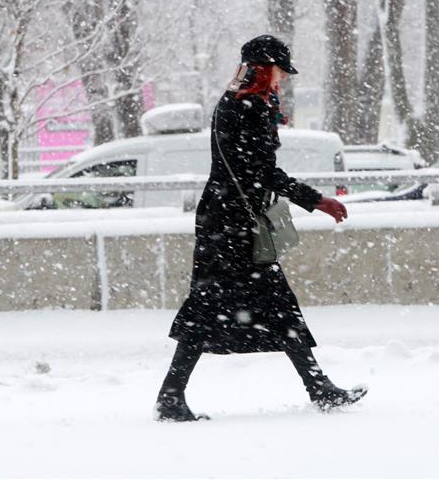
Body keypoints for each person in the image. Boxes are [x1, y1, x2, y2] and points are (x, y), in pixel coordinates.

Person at [155, 35, 367, 422]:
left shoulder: (235, 102)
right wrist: (317, 200)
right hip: (234, 226)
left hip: (225, 220)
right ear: (266, 68)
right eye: (280, 72)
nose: (282, 80)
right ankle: (318, 388)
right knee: (236, 306)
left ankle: (317, 387)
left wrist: (270, 117)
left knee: (231, 306)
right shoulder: (247, 105)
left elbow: (251, 164)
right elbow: (263, 172)